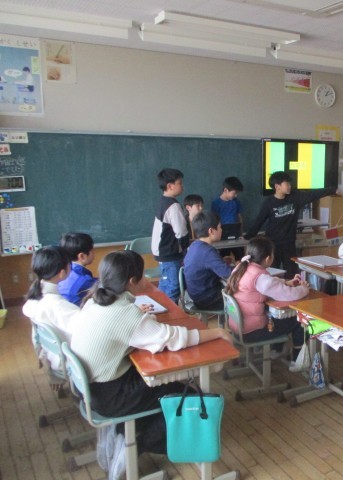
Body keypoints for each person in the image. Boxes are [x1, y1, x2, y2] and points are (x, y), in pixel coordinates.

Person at [70, 250, 231, 478]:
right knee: (185, 396)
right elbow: (172, 338)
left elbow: (137, 329)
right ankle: (140, 442)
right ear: (132, 281)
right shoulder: (124, 314)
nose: (146, 280)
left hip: (91, 389)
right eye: (142, 276)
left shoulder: (94, 302)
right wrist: (217, 332)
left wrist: (142, 317)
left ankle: (133, 434)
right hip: (110, 396)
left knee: (168, 384)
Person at [224, 236, 309, 367]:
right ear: (268, 258)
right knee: (299, 320)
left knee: (277, 316)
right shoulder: (260, 277)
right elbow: (289, 295)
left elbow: (268, 283)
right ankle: (297, 361)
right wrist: (304, 289)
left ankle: (276, 350)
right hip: (251, 331)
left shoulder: (241, 267)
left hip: (237, 325)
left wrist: (286, 282)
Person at [245, 171, 336, 278]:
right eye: (286, 183)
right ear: (277, 186)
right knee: (272, 273)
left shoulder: (295, 197)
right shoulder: (269, 203)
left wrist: (332, 190)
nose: (289, 186)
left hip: (289, 243)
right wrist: (248, 236)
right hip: (272, 244)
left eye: (289, 183)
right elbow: (259, 221)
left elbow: (313, 194)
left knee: (292, 273)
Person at [23, 246, 80, 379]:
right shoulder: (58, 306)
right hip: (71, 362)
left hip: (52, 357)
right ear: (62, 273)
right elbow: (87, 331)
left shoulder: (34, 299)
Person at [151, 168, 189, 304]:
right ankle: (169, 311)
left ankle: (159, 307)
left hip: (162, 251)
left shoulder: (163, 201)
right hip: (169, 252)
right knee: (174, 287)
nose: (182, 186)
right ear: (170, 186)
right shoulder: (173, 206)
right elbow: (181, 232)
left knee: (165, 282)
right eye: (180, 183)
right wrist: (186, 250)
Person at [183, 211, 233, 311]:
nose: (221, 230)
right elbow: (228, 274)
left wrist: (221, 262)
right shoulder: (208, 252)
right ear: (211, 231)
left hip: (195, 295)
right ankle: (231, 313)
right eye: (220, 227)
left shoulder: (194, 245)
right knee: (242, 299)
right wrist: (241, 266)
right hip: (208, 300)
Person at [58, 232, 97, 306]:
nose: (94, 253)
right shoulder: (85, 281)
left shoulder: (60, 272)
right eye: (92, 251)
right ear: (82, 256)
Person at [211, 176, 244, 260]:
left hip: (236, 236)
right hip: (222, 237)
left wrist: (241, 233)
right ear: (225, 190)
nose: (236, 195)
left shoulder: (236, 202)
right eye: (234, 193)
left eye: (237, 193)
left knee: (241, 258)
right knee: (223, 259)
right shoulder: (216, 203)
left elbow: (240, 218)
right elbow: (214, 220)